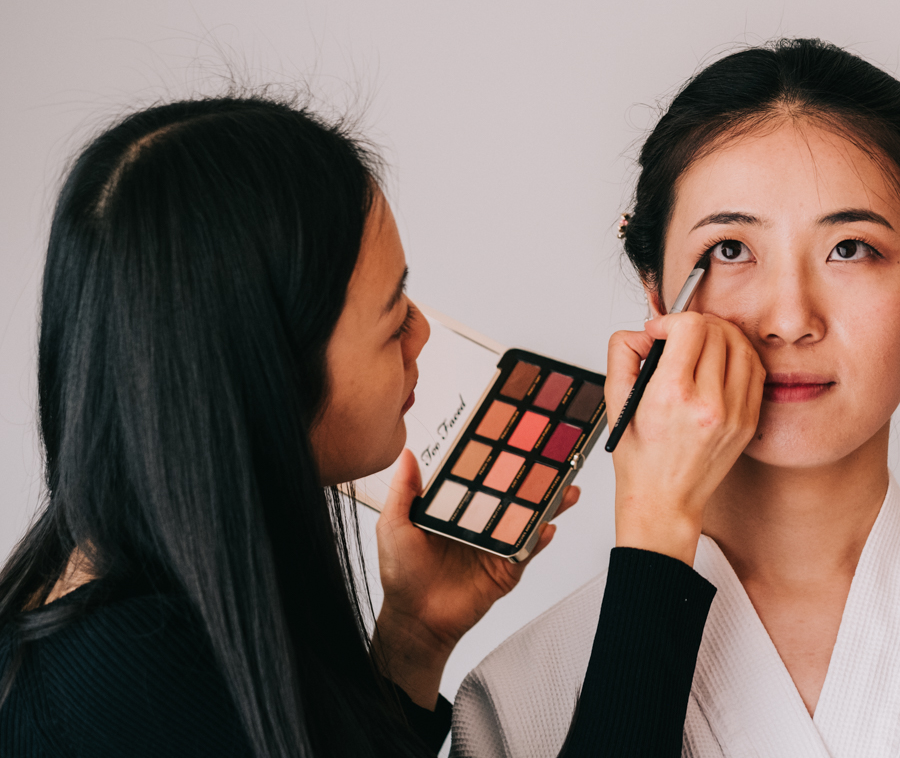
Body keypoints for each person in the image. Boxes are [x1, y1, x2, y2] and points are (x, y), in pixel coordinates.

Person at [0, 96, 762, 758]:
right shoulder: (133, 692)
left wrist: (412, 642)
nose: (421, 332)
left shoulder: (125, 624)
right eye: (392, 314)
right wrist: (658, 526)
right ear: (268, 375)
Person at [454, 39, 900, 758]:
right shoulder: (518, 696)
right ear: (657, 295)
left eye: (850, 249)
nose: (789, 319)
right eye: (729, 250)